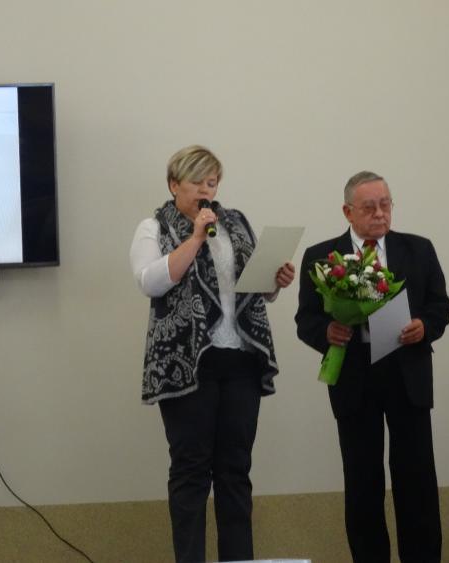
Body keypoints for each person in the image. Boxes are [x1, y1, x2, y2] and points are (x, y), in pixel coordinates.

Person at [130, 145, 295, 563]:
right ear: (174, 185)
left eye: (212, 182)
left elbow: (252, 290)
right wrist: (195, 238)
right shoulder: (154, 226)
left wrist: (275, 281)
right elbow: (151, 281)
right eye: (197, 182)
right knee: (191, 473)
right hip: (187, 364)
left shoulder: (235, 223)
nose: (207, 191)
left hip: (240, 359)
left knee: (235, 472)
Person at [294, 171, 449, 563]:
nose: (380, 214)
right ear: (348, 211)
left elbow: (440, 305)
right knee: (362, 483)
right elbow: (306, 319)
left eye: (385, 204)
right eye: (369, 207)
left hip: (407, 373)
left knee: (416, 481)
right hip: (354, 377)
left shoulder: (418, 249)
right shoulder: (321, 256)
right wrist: (326, 332)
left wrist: (425, 326)